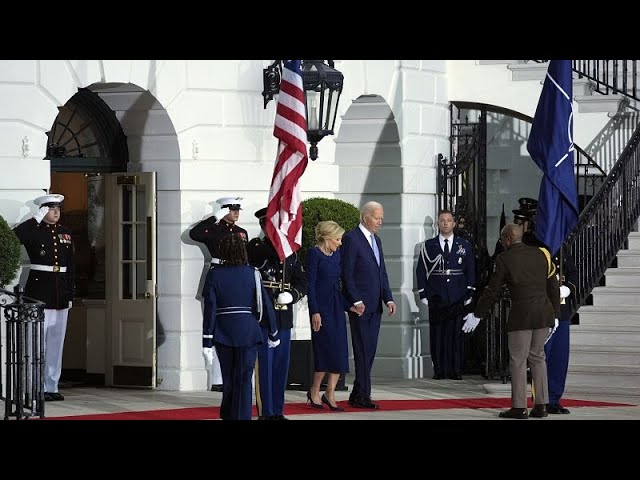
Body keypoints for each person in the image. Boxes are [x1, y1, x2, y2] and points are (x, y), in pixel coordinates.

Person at [463, 223, 560, 419]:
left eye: (502, 240)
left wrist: (478, 314)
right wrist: (555, 314)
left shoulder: (504, 259)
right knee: (538, 358)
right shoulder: (542, 254)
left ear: (507, 239)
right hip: (543, 313)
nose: (502, 243)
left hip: (521, 316)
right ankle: (541, 405)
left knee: (518, 360)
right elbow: (553, 286)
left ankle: (519, 407)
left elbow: (492, 290)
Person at [201, 234, 279, 420]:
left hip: (223, 332)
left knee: (228, 380)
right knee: (244, 380)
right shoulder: (252, 272)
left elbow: (210, 308)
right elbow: (265, 304)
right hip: (248, 332)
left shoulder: (214, 273)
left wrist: (207, 340)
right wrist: (273, 332)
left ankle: (228, 416)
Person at [247, 207, 307, 420]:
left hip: (284, 317)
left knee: (281, 366)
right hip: (264, 316)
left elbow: (302, 280)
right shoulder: (256, 246)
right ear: (265, 226)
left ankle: (278, 411)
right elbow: (265, 254)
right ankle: (266, 411)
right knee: (265, 365)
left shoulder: (291, 252)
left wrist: (292, 294)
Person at [13, 194, 74, 402]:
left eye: (58, 208)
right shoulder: (33, 231)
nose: (56, 212)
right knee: (37, 343)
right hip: (39, 292)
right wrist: (34, 220)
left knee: (56, 343)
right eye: (50, 208)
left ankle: (51, 386)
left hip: (60, 293)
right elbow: (15, 237)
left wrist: (70, 293)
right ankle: (34, 386)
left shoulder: (65, 233)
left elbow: (70, 266)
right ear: (42, 210)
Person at [341, 201, 396, 409]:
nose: (380, 222)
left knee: (369, 351)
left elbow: (381, 273)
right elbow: (347, 273)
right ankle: (363, 395)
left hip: (376, 306)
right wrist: (355, 300)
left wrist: (388, 298)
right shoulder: (351, 238)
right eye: (377, 218)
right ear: (365, 217)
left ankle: (357, 392)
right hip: (360, 307)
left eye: (381, 218)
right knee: (362, 351)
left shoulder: (377, 240)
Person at [190, 196, 248, 392]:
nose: (236, 212)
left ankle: (230, 374)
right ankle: (217, 379)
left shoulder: (241, 233)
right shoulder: (213, 229)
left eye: (238, 209)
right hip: (218, 275)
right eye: (232, 209)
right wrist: (214, 217)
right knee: (213, 324)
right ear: (224, 210)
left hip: (236, 279)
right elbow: (195, 234)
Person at [416, 209, 476, 380]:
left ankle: (455, 371)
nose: (445, 223)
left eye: (449, 220)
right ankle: (440, 371)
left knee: (455, 336)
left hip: (457, 296)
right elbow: (420, 270)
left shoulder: (464, 245)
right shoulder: (428, 245)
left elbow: (470, 270)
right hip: (437, 296)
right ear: (437, 224)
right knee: (438, 335)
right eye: (442, 220)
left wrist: (470, 291)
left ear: (454, 224)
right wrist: (423, 294)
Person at [305, 220, 353, 412]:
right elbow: (311, 285)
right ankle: (315, 390)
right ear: (327, 238)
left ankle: (330, 393)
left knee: (340, 351)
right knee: (324, 351)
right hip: (321, 310)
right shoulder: (314, 254)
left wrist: (350, 306)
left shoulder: (336, 254)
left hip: (336, 308)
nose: (340, 243)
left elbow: (337, 286)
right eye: (337, 239)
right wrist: (314, 311)